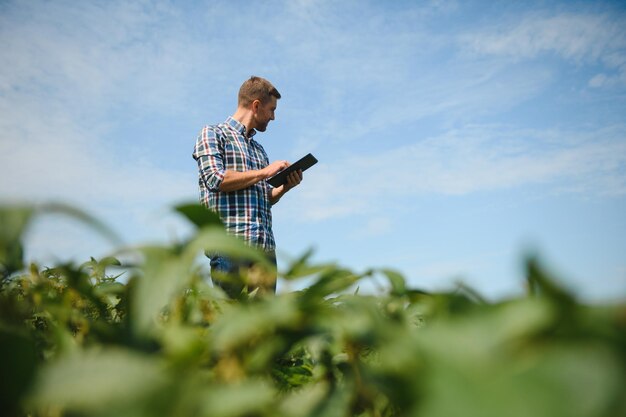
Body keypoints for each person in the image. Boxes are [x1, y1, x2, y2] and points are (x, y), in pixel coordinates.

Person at [192, 76, 302, 297]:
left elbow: (263, 197)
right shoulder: (213, 134)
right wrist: (264, 172)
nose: (273, 117)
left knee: (264, 328)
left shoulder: (259, 150)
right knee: (229, 321)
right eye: (271, 110)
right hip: (230, 247)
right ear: (256, 105)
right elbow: (216, 179)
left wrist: (283, 189)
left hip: (265, 252)